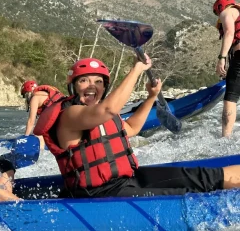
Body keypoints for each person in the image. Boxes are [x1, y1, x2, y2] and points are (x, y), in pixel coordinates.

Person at [34, 57, 240, 198]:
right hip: (102, 194)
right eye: (84, 80)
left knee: (202, 176)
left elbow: (131, 127)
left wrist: (151, 97)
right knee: (188, 192)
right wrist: (137, 69)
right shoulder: (70, 114)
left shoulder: (97, 113)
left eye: (98, 81)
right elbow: (108, 110)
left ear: (104, 88)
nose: (91, 86)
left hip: (128, 180)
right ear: (73, 86)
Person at [213, 0, 240, 137]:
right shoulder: (238, 11)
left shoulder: (226, 12)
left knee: (231, 97)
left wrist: (221, 58)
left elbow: (229, 33)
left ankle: (226, 137)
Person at [20, 80, 65, 149]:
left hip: (58, 115)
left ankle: (41, 153)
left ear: (27, 94)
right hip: (63, 113)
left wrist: (25, 138)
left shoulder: (34, 98)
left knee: (38, 133)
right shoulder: (44, 94)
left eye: (24, 95)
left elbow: (31, 121)